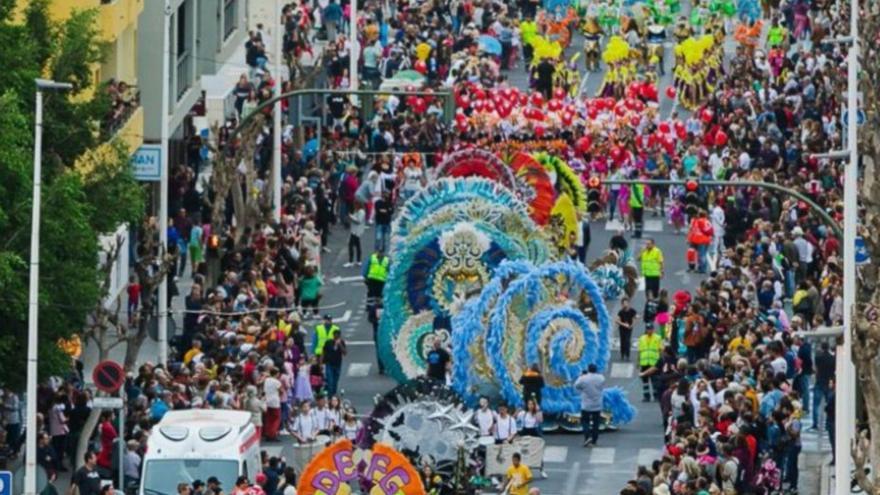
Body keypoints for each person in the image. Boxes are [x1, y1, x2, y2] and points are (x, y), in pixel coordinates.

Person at [574, 364, 605, 446]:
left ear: (588, 369)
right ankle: (594, 440)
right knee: (596, 423)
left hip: (586, 404)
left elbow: (576, 386)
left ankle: (587, 436)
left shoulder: (584, 378)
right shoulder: (601, 378)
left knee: (585, 421)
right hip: (597, 404)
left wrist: (581, 376)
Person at [637, 326, 662, 402]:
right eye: (648, 329)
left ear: (653, 329)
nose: (649, 331)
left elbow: (660, 350)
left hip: (654, 363)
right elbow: (639, 351)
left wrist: (660, 361)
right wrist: (638, 362)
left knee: (655, 380)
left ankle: (656, 396)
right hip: (644, 363)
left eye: (651, 329)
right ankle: (646, 396)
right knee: (645, 381)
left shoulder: (658, 338)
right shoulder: (642, 338)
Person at [322, 330, 347, 396]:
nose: (336, 337)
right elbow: (324, 352)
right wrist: (321, 363)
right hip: (329, 364)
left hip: (337, 364)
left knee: (335, 381)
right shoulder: (328, 342)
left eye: (338, 336)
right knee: (330, 381)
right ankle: (330, 396)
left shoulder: (342, 342)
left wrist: (340, 345)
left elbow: (344, 353)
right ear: (333, 336)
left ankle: (333, 394)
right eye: (335, 335)